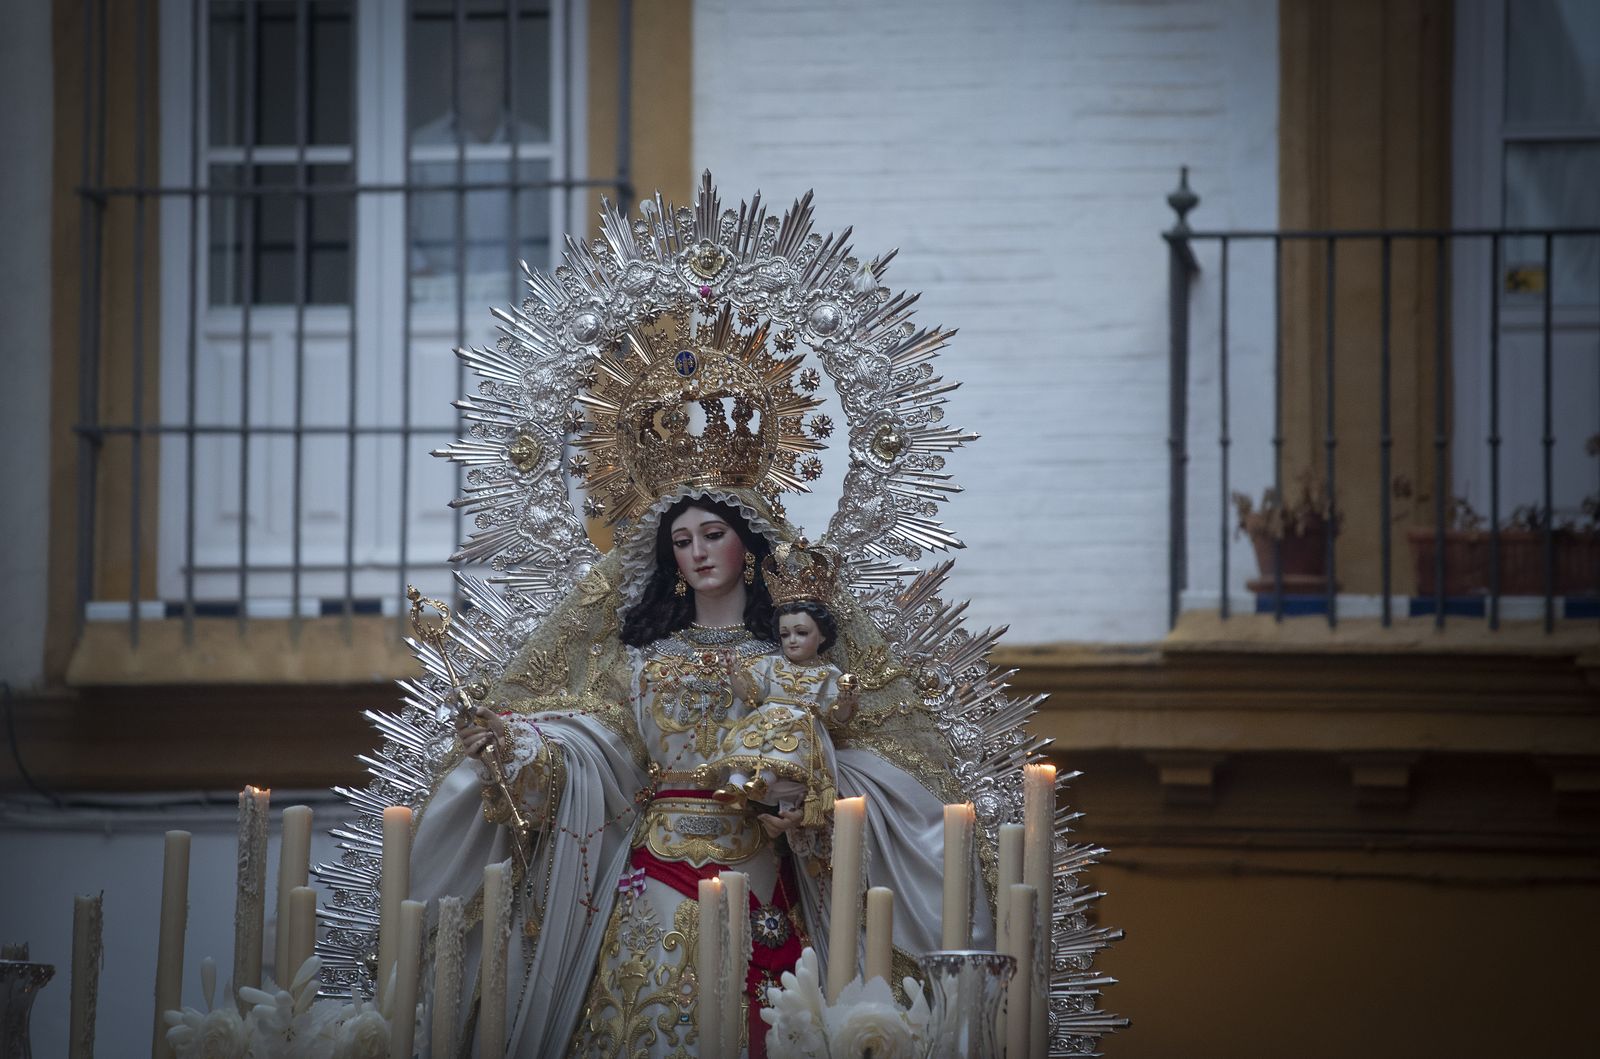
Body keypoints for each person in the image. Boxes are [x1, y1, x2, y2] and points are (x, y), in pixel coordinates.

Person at [714, 541, 857, 832]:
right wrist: (734, 674)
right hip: (764, 722)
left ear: (822, 637)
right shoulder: (770, 664)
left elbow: (836, 719)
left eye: (801, 633)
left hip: (801, 729)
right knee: (745, 747)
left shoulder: (828, 673)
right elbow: (750, 695)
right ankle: (736, 785)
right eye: (785, 634)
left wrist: (846, 699)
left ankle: (763, 784)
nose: (792, 640)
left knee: (781, 755)